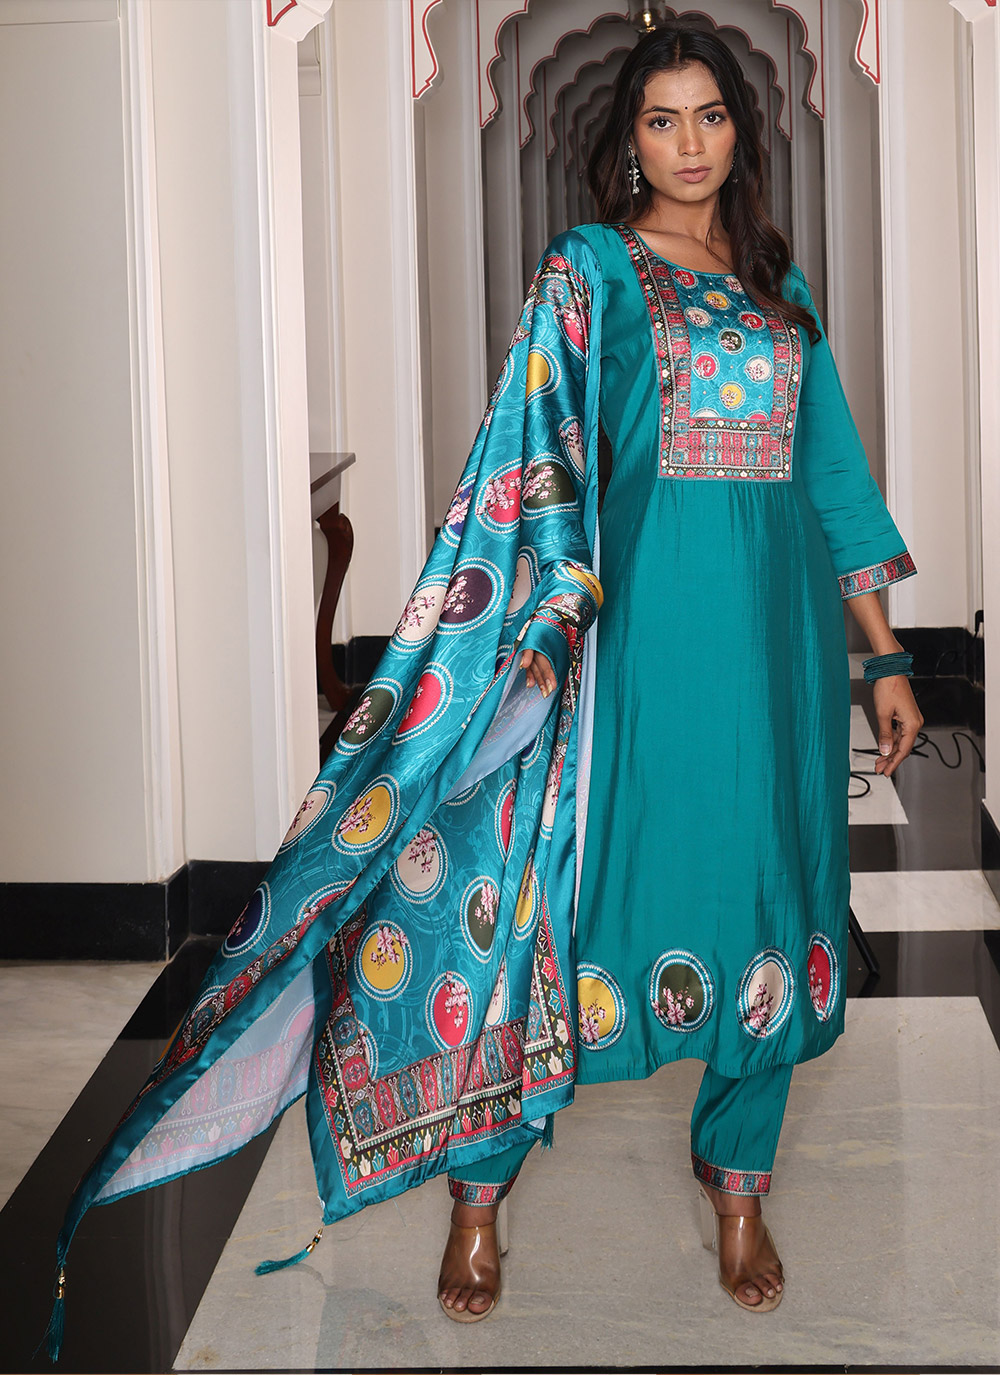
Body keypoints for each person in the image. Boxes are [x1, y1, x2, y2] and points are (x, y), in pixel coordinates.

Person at [46, 25, 921, 1360]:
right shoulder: (592, 271)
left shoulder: (774, 284)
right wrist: (540, 622)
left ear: (742, 131)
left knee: (764, 896)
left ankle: (739, 1182)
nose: (689, 144)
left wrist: (885, 655)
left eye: (710, 117)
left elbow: (833, 476)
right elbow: (536, 453)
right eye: (662, 121)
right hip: (634, 664)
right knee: (552, 916)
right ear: (627, 142)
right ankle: (480, 1187)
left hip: (777, 660)